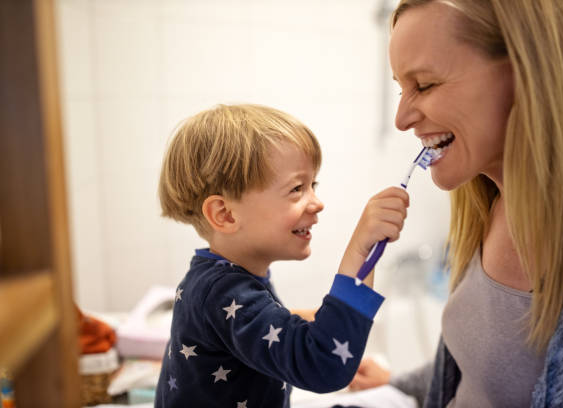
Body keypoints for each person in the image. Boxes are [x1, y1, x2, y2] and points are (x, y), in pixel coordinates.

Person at [350, 0, 563, 407]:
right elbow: (482, 372)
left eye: (426, 84)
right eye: (402, 88)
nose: (401, 119)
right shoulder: (489, 203)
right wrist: (400, 385)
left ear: (526, 69)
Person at [154, 104, 410, 407]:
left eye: (313, 185)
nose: (317, 203)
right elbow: (324, 364)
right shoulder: (224, 291)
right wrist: (361, 249)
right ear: (225, 214)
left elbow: (262, 322)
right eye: (297, 188)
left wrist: (317, 319)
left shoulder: (218, 276)